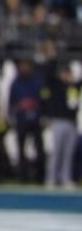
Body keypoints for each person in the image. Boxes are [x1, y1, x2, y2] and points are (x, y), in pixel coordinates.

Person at [42, 59, 79, 188]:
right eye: (64, 73)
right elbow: (48, 76)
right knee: (55, 152)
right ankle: (51, 178)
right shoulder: (55, 85)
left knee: (68, 153)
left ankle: (65, 177)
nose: (67, 76)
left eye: (68, 73)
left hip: (71, 123)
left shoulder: (73, 87)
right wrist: (52, 58)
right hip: (57, 122)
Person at [6, 58, 44, 184]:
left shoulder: (36, 81)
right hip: (21, 120)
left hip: (36, 119)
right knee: (21, 149)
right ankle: (23, 176)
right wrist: (11, 116)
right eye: (22, 66)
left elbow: (42, 99)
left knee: (39, 148)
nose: (24, 68)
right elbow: (11, 102)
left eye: (26, 66)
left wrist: (41, 113)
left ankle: (40, 176)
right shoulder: (15, 83)